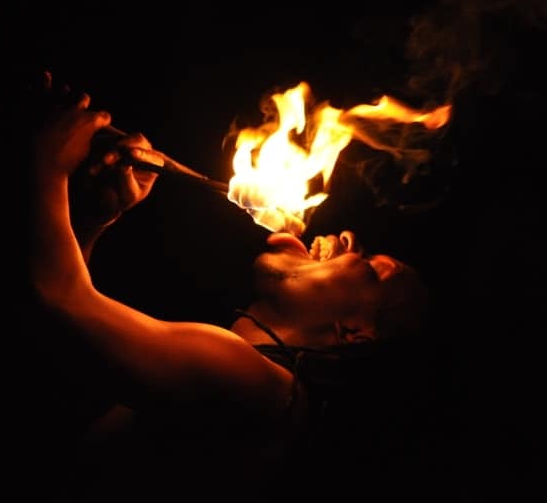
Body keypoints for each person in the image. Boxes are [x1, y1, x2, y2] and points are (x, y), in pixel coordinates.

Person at [29, 73, 439, 499]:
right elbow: (70, 366)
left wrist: (47, 161)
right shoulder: (265, 390)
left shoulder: (254, 382)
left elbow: (59, 298)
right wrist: (93, 220)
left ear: (353, 332)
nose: (350, 240)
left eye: (373, 268)